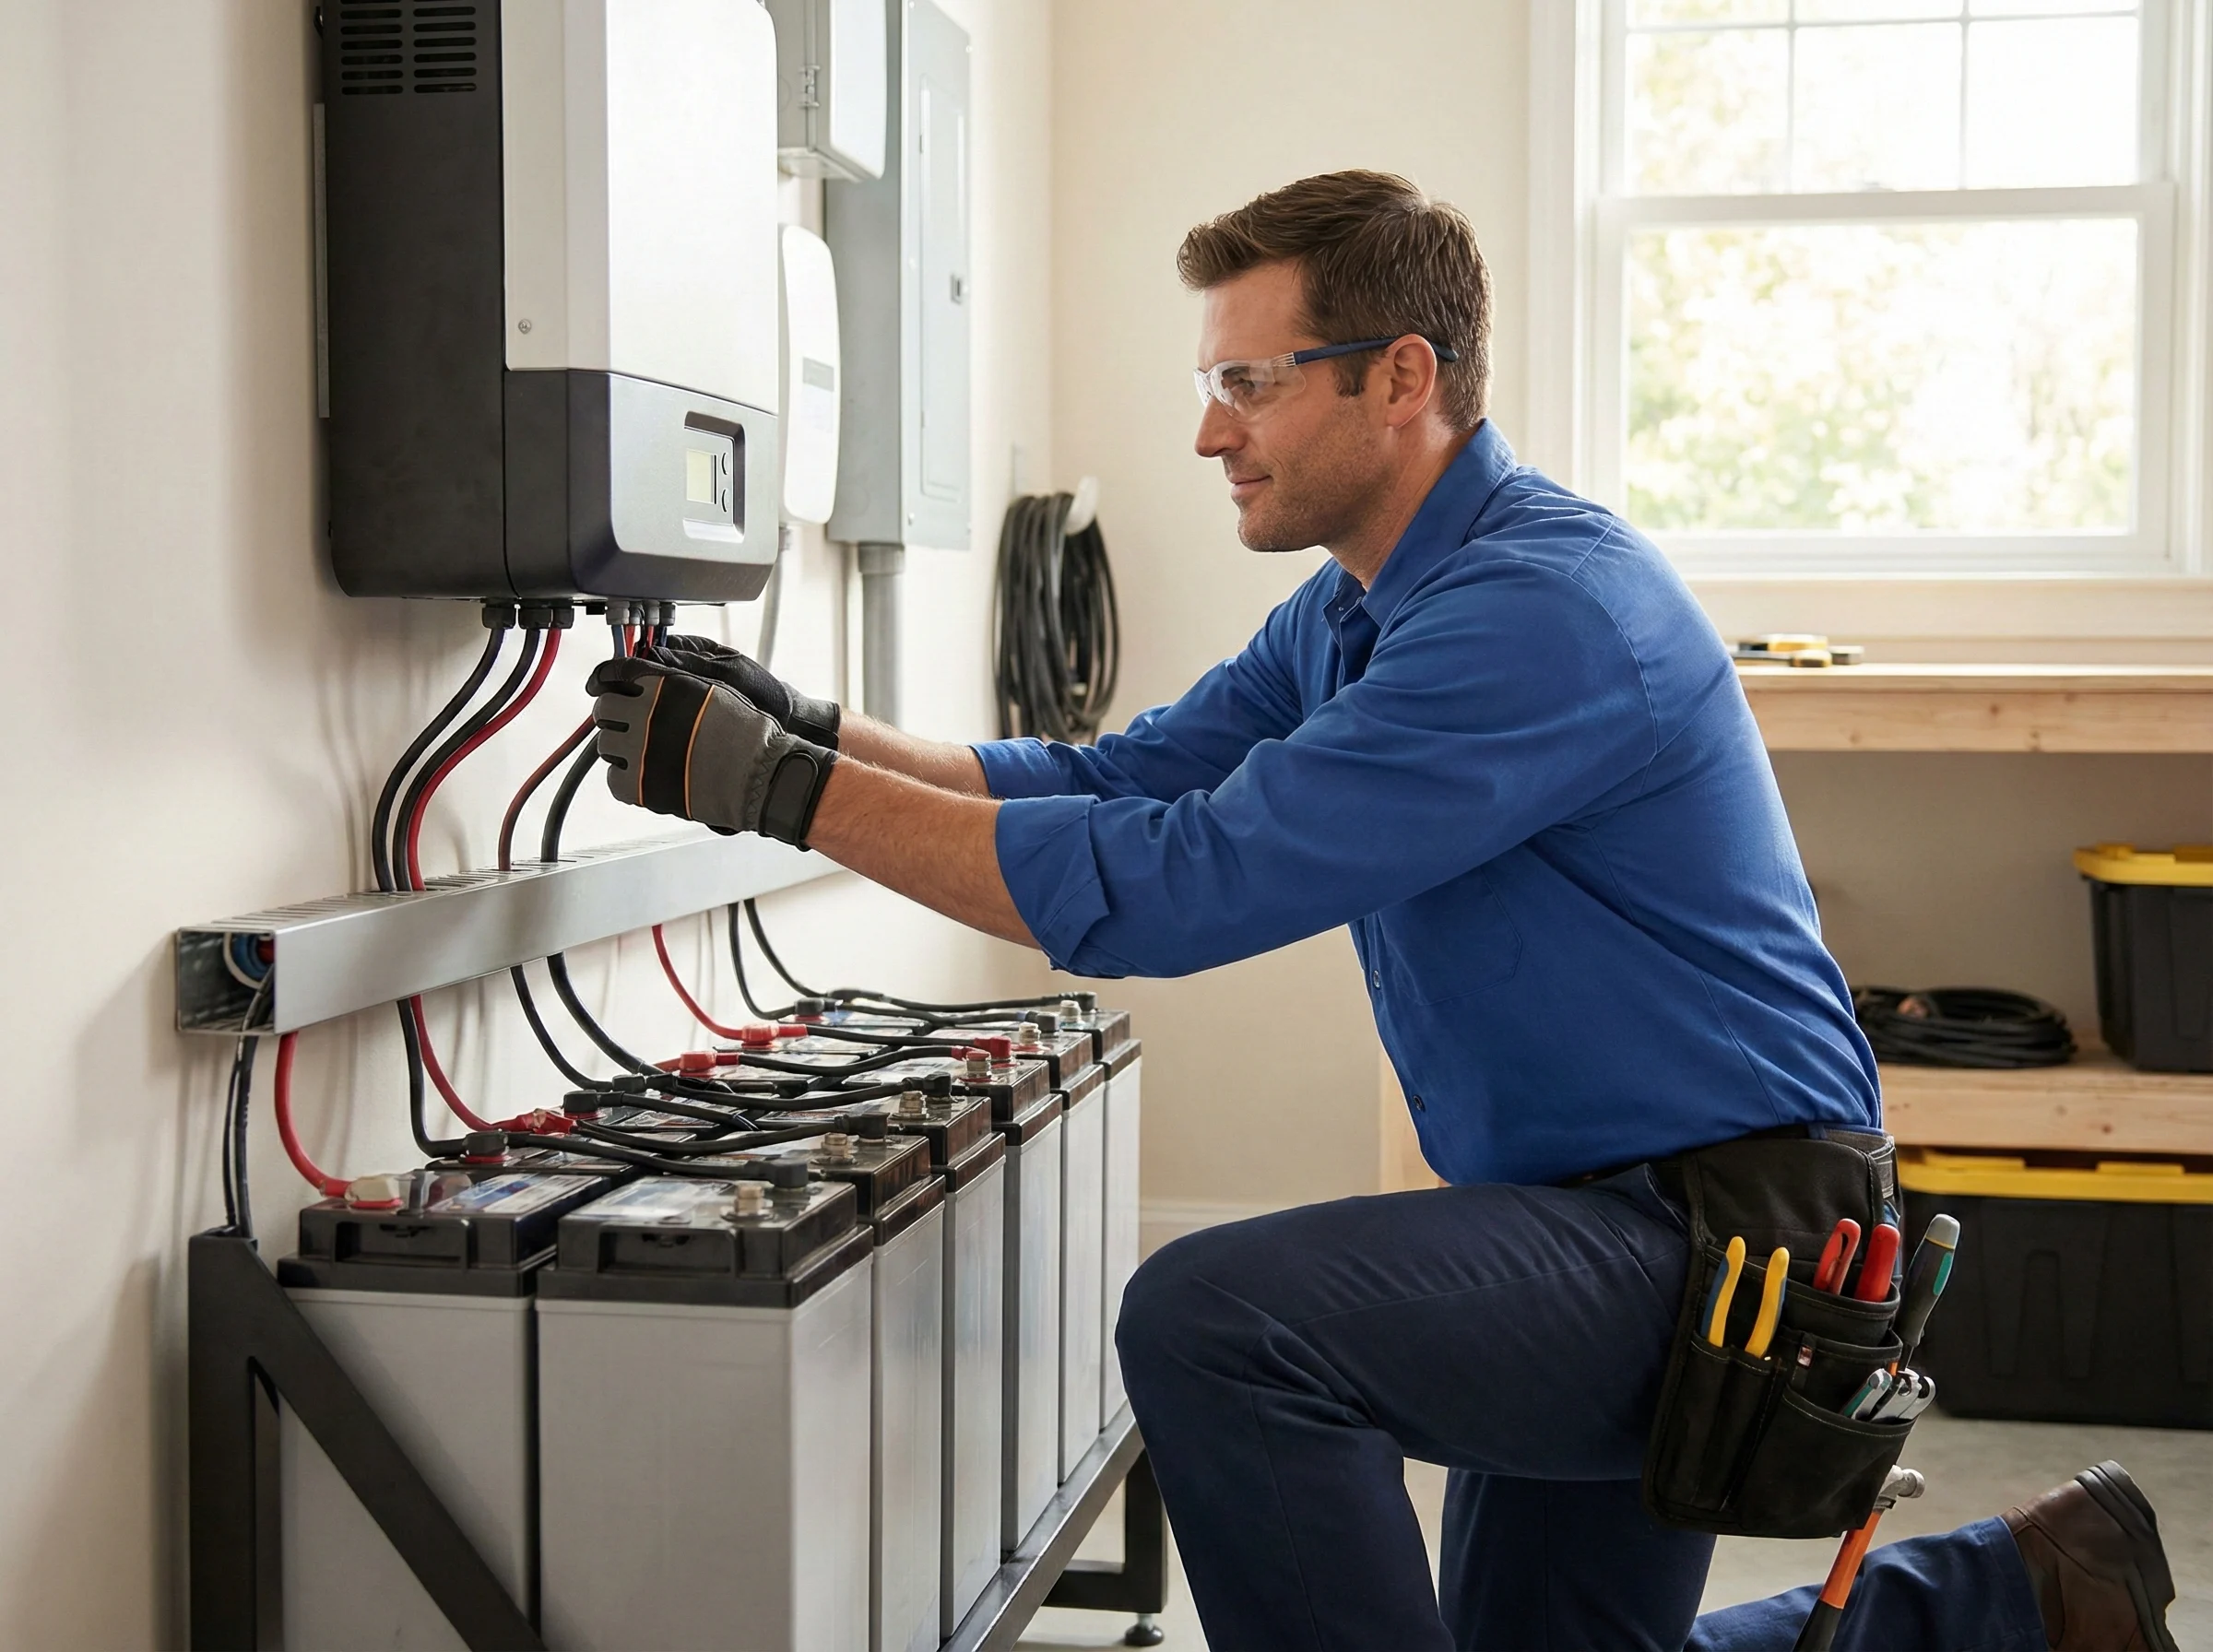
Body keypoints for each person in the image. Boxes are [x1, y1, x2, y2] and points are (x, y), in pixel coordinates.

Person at [586, 171, 2181, 1651]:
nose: (1214, 434)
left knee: (1219, 1323)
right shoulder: (1358, 610)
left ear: (1400, 378)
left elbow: (1184, 879)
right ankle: (2023, 1594)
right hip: (1600, 1218)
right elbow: (1118, 775)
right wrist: (808, 728)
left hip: (1725, 1248)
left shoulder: (1537, 614)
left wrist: (779, 794)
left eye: (1249, 382)